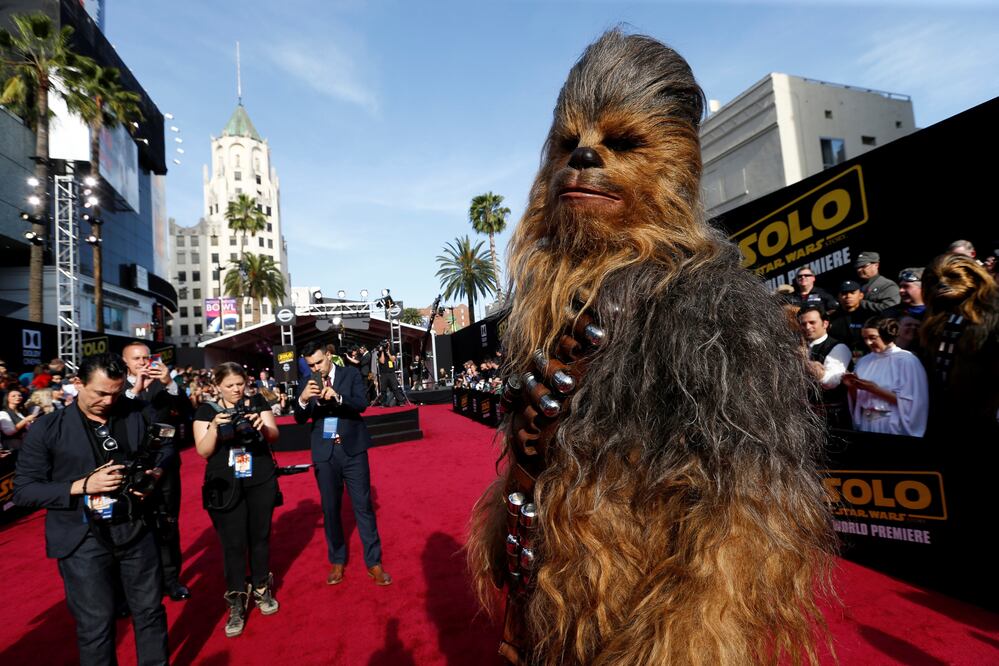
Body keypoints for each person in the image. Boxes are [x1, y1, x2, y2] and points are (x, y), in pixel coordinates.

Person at [467, 30, 832, 665]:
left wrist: (679, 643)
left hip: (644, 619)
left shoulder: (714, 301)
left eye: (623, 143)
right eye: (567, 143)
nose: (582, 158)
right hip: (552, 605)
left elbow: (743, 522)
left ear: (676, 164)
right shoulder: (549, 306)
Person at [13, 353, 170, 665]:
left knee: (150, 611)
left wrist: (155, 472)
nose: (109, 401)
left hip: (136, 527)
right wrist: (83, 486)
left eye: (115, 391)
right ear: (77, 384)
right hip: (81, 538)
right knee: (95, 625)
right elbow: (24, 490)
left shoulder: (136, 411)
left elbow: (164, 446)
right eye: (100, 393)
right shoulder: (47, 428)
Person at [193, 362, 281, 638]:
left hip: (260, 477)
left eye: (239, 384)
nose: (235, 390)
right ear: (217, 385)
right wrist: (215, 429)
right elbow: (203, 451)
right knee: (232, 543)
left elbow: (274, 434)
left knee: (260, 536)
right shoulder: (207, 410)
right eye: (229, 386)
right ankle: (236, 601)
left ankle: (261, 588)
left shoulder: (256, 401)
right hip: (224, 483)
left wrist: (261, 426)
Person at [293, 340, 391, 587]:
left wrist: (337, 397)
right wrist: (303, 399)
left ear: (328, 355)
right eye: (310, 365)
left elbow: (362, 404)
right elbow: (299, 418)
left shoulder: (350, 373)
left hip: (353, 450)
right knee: (330, 508)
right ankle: (337, 560)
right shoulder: (307, 382)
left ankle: (374, 563)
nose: (316, 368)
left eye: (319, 362)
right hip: (324, 453)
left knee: (363, 507)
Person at [122, 342, 190, 602]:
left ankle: (171, 580)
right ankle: (138, 586)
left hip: (167, 466)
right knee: (134, 527)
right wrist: (134, 391)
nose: (142, 362)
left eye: (146, 357)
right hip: (132, 469)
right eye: (136, 358)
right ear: (126, 362)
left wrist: (171, 384)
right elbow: (114, 418)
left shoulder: (165, 386)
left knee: (168, 525)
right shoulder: (118, 388)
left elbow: (186, 414)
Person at [843, 316, 928, 437]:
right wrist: (852, 387)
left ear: (886, 335)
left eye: (873, 338)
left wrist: (874, 389)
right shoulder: (864, 361)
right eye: (865, 338)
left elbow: (912, 402)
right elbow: (858, 401)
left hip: (891, 425)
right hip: (866, 423)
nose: (868, 343)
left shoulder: (907, 360)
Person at [798, 305, 852, 429]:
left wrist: (804, 361)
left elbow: (830, 382)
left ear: (825, 323)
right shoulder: (798, 346)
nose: (807, 327)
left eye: (812, 322)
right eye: (803, 323)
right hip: (804, 415)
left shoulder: (838, 347)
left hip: (831, 417)